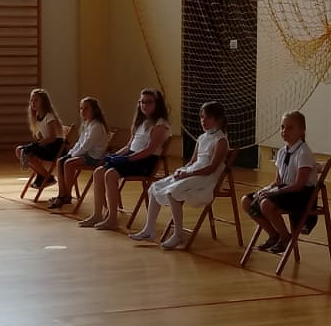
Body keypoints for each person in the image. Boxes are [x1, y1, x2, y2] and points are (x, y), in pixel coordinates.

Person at [130, 102, 229, 250]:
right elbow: (193, 161)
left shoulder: (220, 140)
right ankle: (149, 230)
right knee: (155, 186)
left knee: (173, 192)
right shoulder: (202, 138)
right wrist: (181, 170)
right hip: (194, 172)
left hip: (206, 178)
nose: (203, 121)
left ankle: (178, 234)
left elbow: (211, 168)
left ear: (218, 119)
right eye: (201, 117)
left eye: (208, 118)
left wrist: (189, 173)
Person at [80, 89, 171, 231]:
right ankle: (97, 214)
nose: (144, 105)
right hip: (133, 157)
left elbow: (149, 150)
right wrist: (114, 156)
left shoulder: (161, 124)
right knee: (98, 172)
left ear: (157, 104)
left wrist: (127, 159)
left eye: (149, 102)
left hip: (145, 161)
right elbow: (129, 146)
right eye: (142, 102)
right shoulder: (141, 122)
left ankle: (112, 219)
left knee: (110, 174)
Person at [243, 111, 317, 256]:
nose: (284, 131)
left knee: (266, 204)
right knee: (246, 201)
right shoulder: (282, 152)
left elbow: (299, 185)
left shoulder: (304, 153)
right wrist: (266, 189)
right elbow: (278, 181)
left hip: (300, 195)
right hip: (284, 190)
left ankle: (285, 237)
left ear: (302, 131)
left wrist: (274, 192)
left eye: (290, 128)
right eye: (282, 127)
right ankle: (273, 234)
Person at [48, 96, 110, 211]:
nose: (82, 111)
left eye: (86, 108)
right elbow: (79, 143)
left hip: (95, 157)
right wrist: (71, 153)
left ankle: (66, 195)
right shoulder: (87, 124)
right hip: (86, 154)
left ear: (94, 110)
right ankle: (62, 194)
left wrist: (72, 156)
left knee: (68, 163)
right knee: (60, 161)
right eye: (81, 108)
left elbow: (86, 146)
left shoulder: (96, 126)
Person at [16, 89, 65, 192]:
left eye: (36, 100)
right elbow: (43, 137)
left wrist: (36, 145)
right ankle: (44, 176)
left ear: (43, 102)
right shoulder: (38, 117)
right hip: (48, 146)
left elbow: (52, 138)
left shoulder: (49, 116)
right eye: (31, 100)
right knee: (19, 150)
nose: (33, 103)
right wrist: (38, 141)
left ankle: (47, 177)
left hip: (56, 148)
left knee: (27, 152)